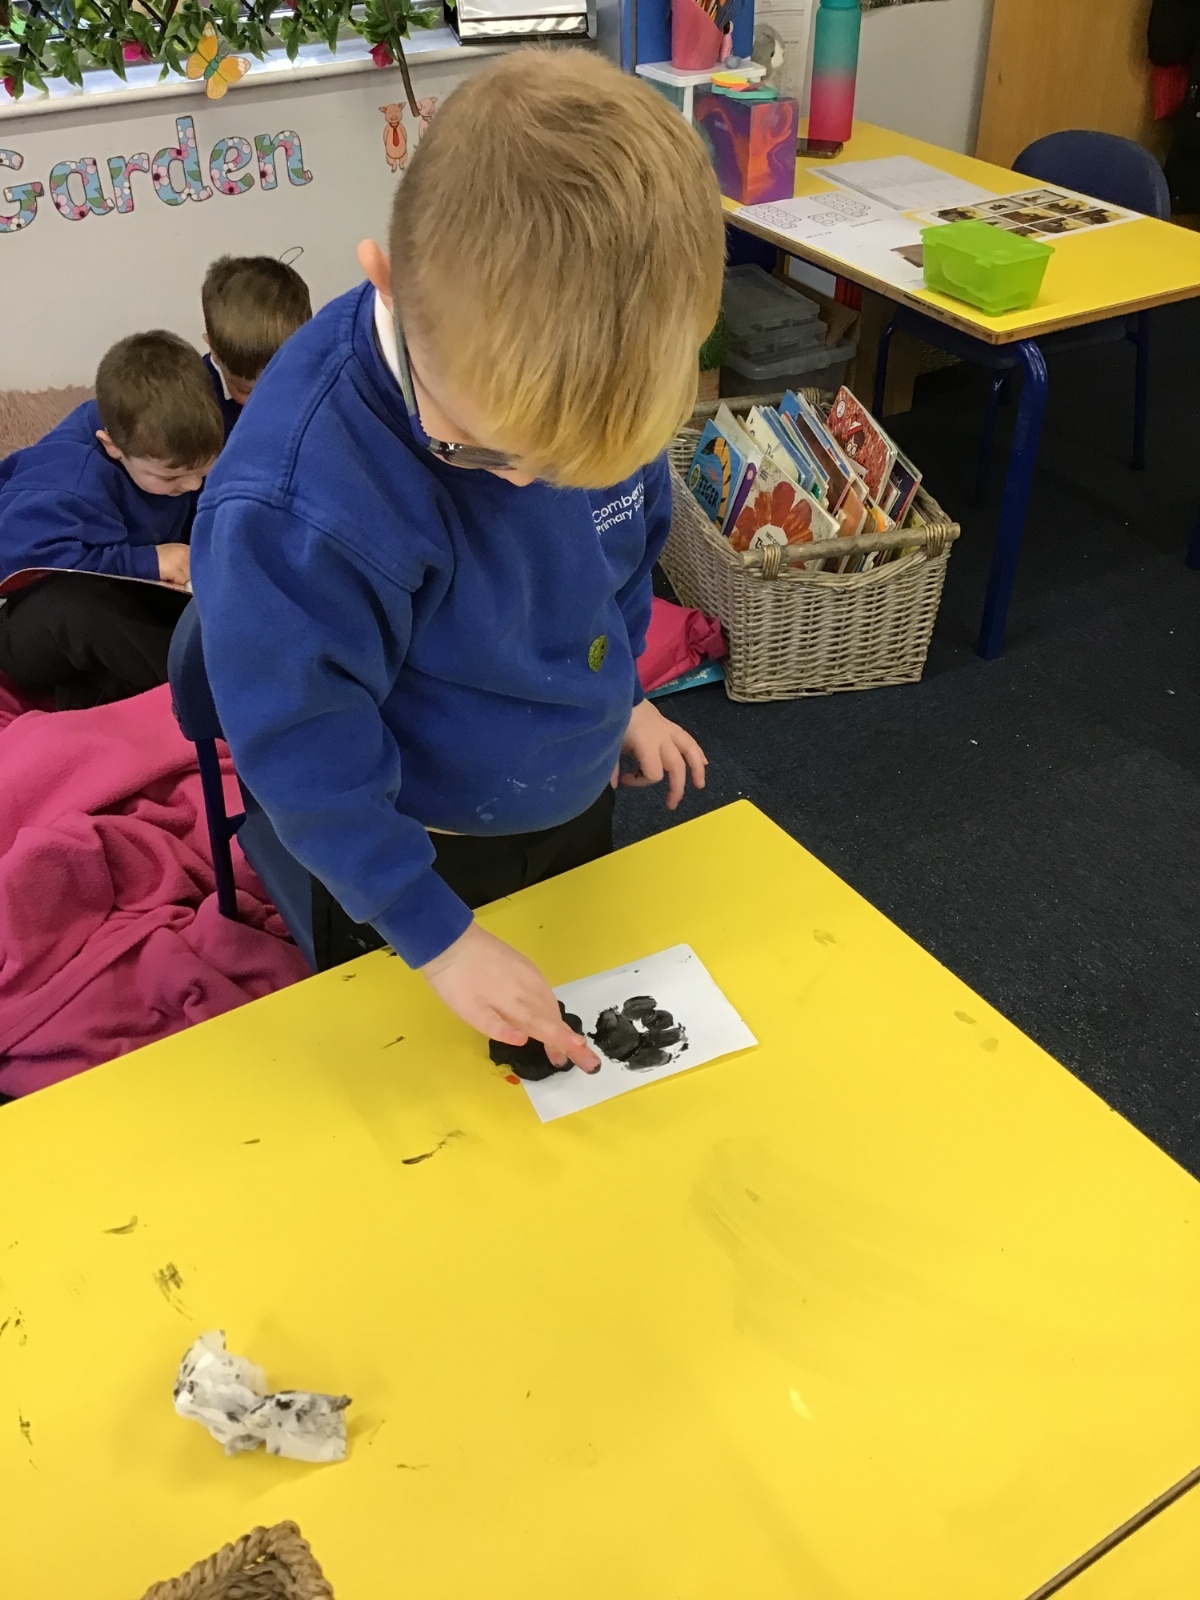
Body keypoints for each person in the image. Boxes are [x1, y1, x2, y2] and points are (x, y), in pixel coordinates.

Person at [191, 49, 724, 1073]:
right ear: (386, 281)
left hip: (565, 793)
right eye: (482, 450)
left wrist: (622, 696)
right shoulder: (300, 498)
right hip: (413, 845)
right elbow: (302, 744)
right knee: (435, 1095)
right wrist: (431, 934)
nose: (528, 484)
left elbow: (617, 563)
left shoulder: (592, 401)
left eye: (575, 465)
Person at [0, 331, 222, 709]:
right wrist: (144, 560)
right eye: (172, 477)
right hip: (27, 620)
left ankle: (92, 694)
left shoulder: (162, 443)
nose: (192, 485)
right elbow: (15, 562)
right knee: (82, 611)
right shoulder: (68, 485)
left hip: (121, 597)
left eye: (202, 471)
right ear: (112, 446)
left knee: (197, 603)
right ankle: (214, 694)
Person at [200, 254, 313, 436]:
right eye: (244, 391)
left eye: (275, 387)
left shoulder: (314, 383)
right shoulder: (195, 399)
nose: (260, 401)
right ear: (212, 349)